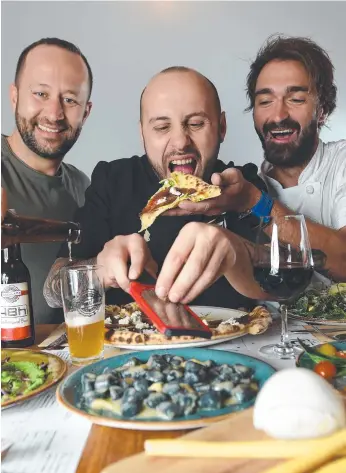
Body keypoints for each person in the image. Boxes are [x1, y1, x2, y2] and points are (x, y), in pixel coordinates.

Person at [44, 66, 270, 310]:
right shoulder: (113, 181)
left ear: (222, 127)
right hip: (131, 343)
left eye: (196, 123)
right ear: (143, 133)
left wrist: (239, 241)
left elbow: (284, 276)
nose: (181, 142)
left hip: (232, 339)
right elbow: (52, 293)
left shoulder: (242, 186)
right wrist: (99, 269)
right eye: (162, 127)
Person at [1, 37, 93, 323]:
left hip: (61, 360)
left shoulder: (86, 189)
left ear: (85, 112)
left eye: (69, 100)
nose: (54, 114)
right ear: (15, 96)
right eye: (41, 94)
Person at [246, 35, 345, 279]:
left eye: (296, 99)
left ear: (322, 110)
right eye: (265, 101)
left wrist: (254, 203)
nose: (278, 115)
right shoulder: (250, 181)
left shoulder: (341, 163)